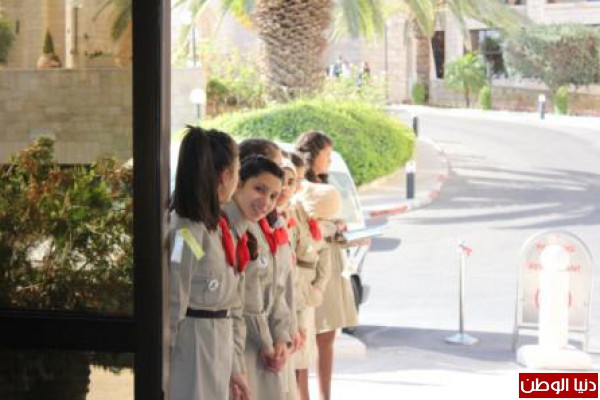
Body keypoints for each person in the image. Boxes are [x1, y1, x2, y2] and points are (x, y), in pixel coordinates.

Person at [168, 126, 250, 400]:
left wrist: (235, 367)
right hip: (192, 342)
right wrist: (164, 359)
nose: (237, 180)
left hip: (217, 339)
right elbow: (175, 293)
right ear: (225, 176)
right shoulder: (187, 230)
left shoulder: (215, 226)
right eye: (237, 172)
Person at [295, 131, 359, 400]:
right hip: (311, 264)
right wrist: (330, 228)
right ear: (312, 156)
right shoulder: (300, 186)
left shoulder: (324, 184)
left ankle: (325, 395)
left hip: (331, 261)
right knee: (304, 336)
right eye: (327, 155)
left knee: (327, 334)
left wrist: (338, 228)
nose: (330, 161)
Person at [237, 140, 293, 399]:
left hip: (269, 341)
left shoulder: (264, 225)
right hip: (247, 341)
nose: (267, 201)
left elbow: (278, 287)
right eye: (259, 189)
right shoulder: (235, 227)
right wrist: (267, 342)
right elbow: (248, 294)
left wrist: (281, 336)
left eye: (272, 195)